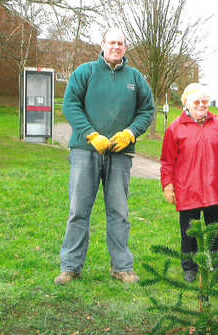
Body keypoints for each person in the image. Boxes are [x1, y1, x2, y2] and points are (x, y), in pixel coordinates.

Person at [55, 28, 154, 285]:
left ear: (125, 47)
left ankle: (122, 267)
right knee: (78, 211)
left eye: (120, 43)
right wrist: (90, 134)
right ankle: (70, 267)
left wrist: (131, 133)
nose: (116, 47)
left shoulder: (135, 78)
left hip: (120, 154)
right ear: (103, 45)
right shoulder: (85, 72)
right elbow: (71, 105)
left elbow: (147, 110)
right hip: (85, 151)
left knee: (119, 212)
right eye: (112, 42)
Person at [160, 83, 218, 283]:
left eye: (205, 101)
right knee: (189, 232)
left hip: (215, 188)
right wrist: (168, 185)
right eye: (197, 101)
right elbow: (167, 161)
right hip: (187, 189)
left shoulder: (217, 125)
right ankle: (189, 268)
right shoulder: (176, 128)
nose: (202, 105)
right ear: (187, 104)